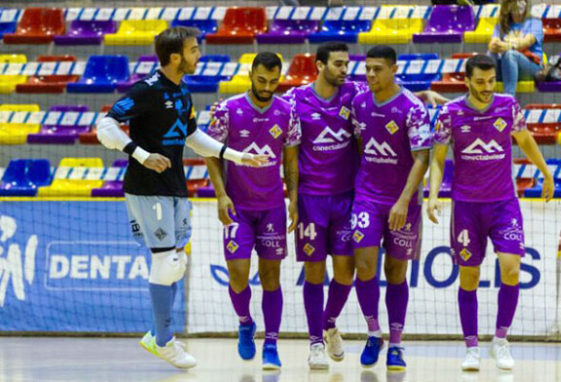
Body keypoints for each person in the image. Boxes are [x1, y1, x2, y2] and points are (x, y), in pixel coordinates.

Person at [97, 27, 266, 369]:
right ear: (175, 57)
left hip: (175, 185)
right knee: (166, 264)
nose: (198, 55)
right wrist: (140, 154)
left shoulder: (182, 92)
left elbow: (193, 137)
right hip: (147, 186)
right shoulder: (147, 90)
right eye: (193, 50)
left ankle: (157, 336)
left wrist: (237, 156)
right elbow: (105, 125)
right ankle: (164, 341)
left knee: (178, 264)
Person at [427, 54, 554, 372]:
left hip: (503, 203)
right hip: (466, 207)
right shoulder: (449, 113)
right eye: (480, 82)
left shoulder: (508, 106)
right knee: (469, 276)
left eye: (491, 81)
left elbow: (525, 141)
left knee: (511, 268)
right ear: (467, 81)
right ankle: (471, 346)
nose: (486, 88)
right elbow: (438, 159)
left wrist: (546, 173)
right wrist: (431, 196)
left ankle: (501, 340)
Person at [205, 52, 301, 371]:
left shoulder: (287, 112)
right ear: (251, 74)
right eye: (261, 80)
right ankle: (245, 322)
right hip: (238, 207)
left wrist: (294, 200)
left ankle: (271, 343)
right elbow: (210, 155)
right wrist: (221, 195)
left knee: (272, 277)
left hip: (272, 207)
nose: (267, 87)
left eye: (274, 81)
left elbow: (290, 161)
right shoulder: (226, 110)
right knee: (238, 275)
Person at [281, 42, 367, 370]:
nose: (345, 70)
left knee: (347, 272)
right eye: (338, 64)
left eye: (347, 64)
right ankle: (315, 341)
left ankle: (328, 323)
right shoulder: (295, 100)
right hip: (310, 200)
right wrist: (290, 198)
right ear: (319, 65)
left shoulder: (355, 93)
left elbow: (390, 91)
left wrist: (426, 95)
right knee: (314, 271)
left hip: (346, 199)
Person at [350, 45, 432, 371]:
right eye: (367, 68)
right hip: (367, 197)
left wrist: (403, 200)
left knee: (396, 272)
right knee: (365, 266)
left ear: (394, 69)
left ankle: (396, 343)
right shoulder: (359, 102)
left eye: (378, 69)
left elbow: (422, 158)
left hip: (404, 202)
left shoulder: (412, 108)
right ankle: (373, 332)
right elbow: (360, 145)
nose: (371, 75)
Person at [488, 0, 543, 96]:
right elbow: (492, 45)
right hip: (505, 65)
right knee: (490, 54)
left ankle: (509, 99)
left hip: (530, 66)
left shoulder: (535, 22)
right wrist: (496, 46)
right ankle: (486, 94)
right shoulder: (501, 25)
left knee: (510, 54)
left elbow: (526, 42)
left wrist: (508, 46)